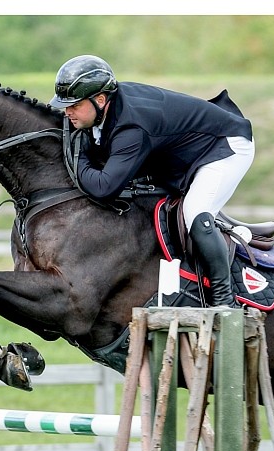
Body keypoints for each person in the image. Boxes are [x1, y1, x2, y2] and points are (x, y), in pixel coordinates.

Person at [50, 54, 255, 307]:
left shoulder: (131, 127)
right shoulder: (108, 109)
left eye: (74, 105)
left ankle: (225, 302)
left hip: (226, 146)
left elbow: (103, 188)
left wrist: (78, 156)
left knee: (196, 212)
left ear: (100, 100)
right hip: (190, 148)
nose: (67, 112)